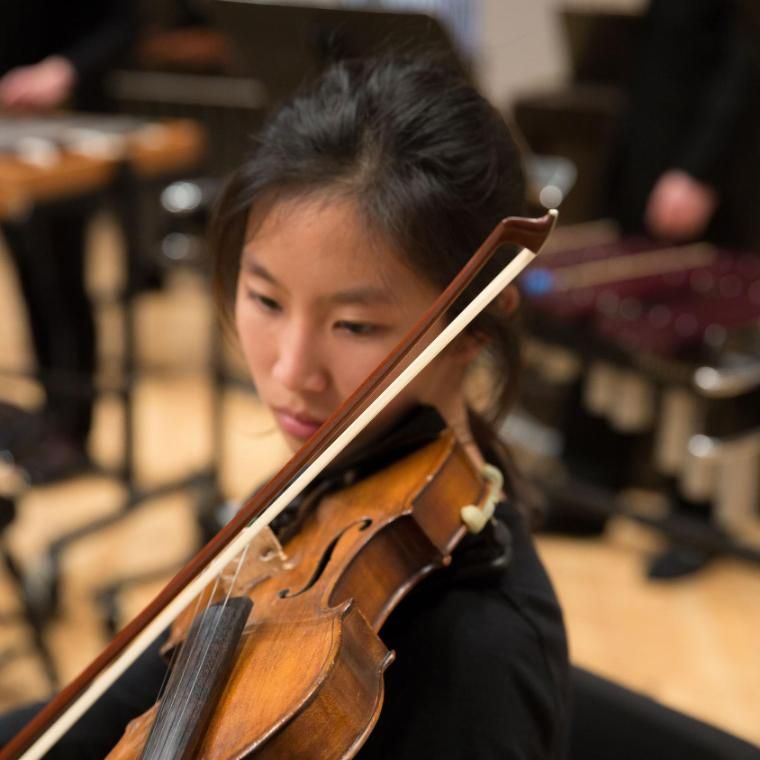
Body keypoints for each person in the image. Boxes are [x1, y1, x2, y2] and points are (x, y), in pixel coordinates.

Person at [0, 56, 569, 757]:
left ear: (481, 317)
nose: (290, 373)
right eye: (266, 300)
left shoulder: (484, 657)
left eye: (355, 325)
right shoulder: (325, 497)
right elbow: (124, 705)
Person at [0, 0, 135, 484]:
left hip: (66, 129)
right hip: (10, 135)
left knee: (63, 285)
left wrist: (60, 71)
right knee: (31, 285)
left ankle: (74, 431)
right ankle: (47, 424)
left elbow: (122, 24)